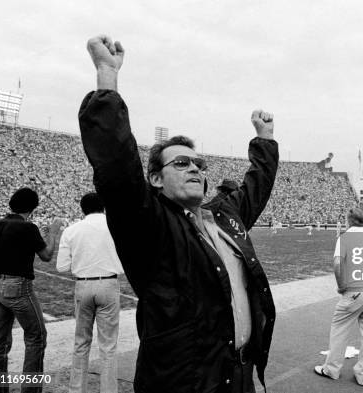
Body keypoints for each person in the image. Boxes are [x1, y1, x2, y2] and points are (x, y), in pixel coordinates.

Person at [80, 35, 278, 393]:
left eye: (200, 164)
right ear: (155, 178)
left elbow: (256, 187)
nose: (195, 169)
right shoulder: (150, 224)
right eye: (182, 162)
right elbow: (117, 169)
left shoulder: (223, 216)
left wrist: (264, 139)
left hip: (236, 374)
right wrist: (107, 76)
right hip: (183, 383)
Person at [0, 187, 64, 393]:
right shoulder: (27, 228)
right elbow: (46, 255)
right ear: (33, 208)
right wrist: (54, 233)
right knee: (36, 337)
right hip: (17, 287)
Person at [56, 192, 124, 393]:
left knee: (81, 343)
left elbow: (61, 267)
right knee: (108, 345)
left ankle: (76, 390)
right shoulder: (116, 227)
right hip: (109, 283)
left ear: (82, 209)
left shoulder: (71, 230)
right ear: (104, 207)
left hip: (83, 284)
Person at [314, 208, 363, 386]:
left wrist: (341, 285)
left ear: (348, 221)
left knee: (340, 329)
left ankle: (332, 369)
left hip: (354, 289)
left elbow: (337, 263)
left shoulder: (345, 238)